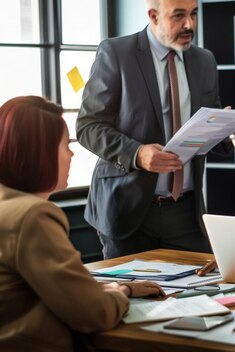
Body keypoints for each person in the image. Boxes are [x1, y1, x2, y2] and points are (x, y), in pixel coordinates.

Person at [0, 96, 164, 351]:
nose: (71, 153)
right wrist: (122, 292)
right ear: (39, 152)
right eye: (65, 145)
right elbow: (94, 313)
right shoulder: (31, 216)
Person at [77, 0, 226, 258]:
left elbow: (208, 119)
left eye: (193, 14)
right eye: (178, 16)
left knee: (196, 296)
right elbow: (88, 125)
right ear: (153, 15)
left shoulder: (205, 60)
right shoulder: (116, 53)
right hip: (128, 210)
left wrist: (226, 129)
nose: (189, 24)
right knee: (131, 297)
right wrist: (137, 153)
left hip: (186, 212)